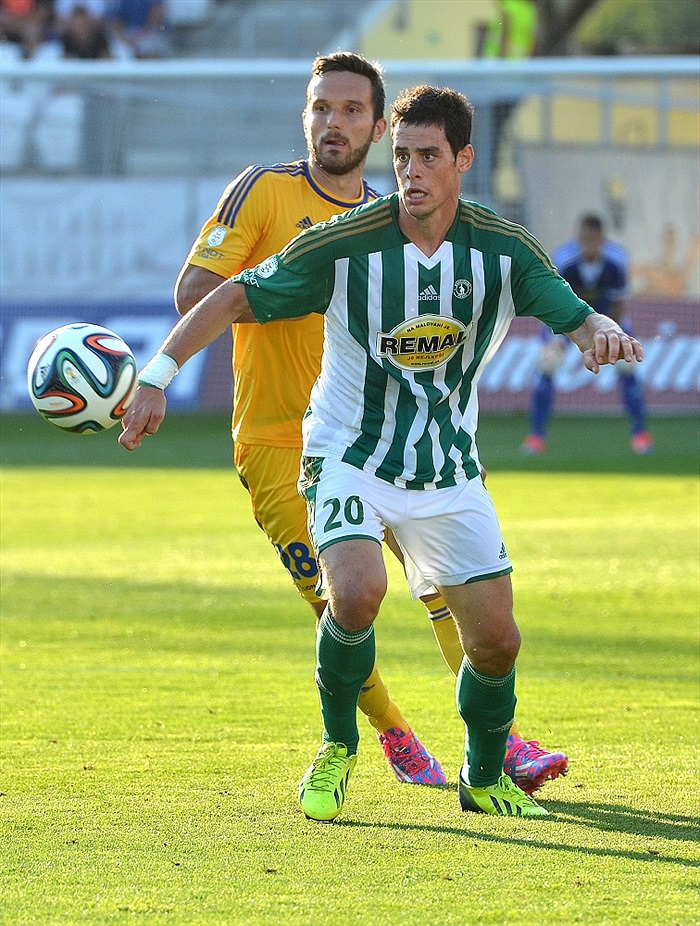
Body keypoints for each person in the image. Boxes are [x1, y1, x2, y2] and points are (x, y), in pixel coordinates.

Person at [119, 84, 643, 821]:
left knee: (495, 642)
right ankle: (339, 747)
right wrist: (155, 376)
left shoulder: (502, 248)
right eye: (402, 156)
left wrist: (603, 335)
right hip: (346, 453)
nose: (413, 172)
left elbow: (571, 313)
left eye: (429, 156)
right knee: (356, 592)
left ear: (463, 158)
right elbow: (232, 295)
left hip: (445, 465)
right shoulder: (344, 242)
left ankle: (484, 777)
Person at [522, 214, 654, 456]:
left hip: (606, 320)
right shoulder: (564, 260)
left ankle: (640, 434)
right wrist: (558, 339)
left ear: (602, 238)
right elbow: (553, 299)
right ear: (579, 237)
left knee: (629, 366)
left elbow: (618, 303)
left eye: (595, 238)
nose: (590, 243)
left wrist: (610, 334)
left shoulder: (617, 260)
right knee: (547, 363)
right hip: (568, 320)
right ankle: (536, 436)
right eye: (586, 238)